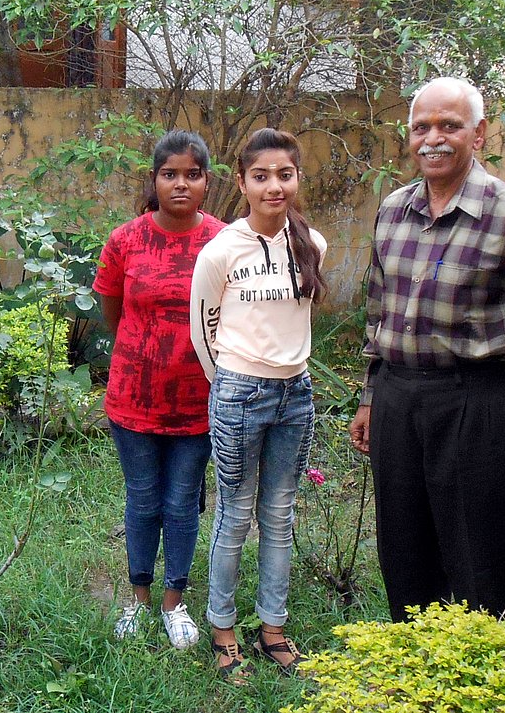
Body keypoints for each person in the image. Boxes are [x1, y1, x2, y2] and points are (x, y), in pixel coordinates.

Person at [349, 77, 505, 623]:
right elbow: (379, 313)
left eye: (449, 126)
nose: (433, 138)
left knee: (485, 553)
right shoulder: (392, 211)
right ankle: (419, 674)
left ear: (477, 134)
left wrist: (495, 367)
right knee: (404, 548)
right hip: (400, 400)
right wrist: (371, 396)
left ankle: (489, 679)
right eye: (421, 127)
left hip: (480, 404)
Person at [189, 128, 327, 678]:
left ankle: (273, 625)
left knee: (280, 513)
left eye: (285, 175)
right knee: (235, 513)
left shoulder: (310, 244)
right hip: (240, 393)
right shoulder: (222, 250)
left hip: (296, 394)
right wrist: (228, 383)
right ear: (242, 182)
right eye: (262, 176)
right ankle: (223, 625)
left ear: (296, 178)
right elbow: (204, 330)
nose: (275, 186)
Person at [93, 130, 225, 650]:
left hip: (199, 401)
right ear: (154, 179)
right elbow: (112, 310)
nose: (180, 184)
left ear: (206, 183)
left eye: (192, 174)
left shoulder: (224, 240)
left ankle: (175, 601)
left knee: (182, 504)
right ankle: (138, 597)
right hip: (133, 399)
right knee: (144, 499)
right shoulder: (125, 240)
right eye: (169, 174)